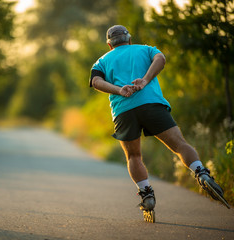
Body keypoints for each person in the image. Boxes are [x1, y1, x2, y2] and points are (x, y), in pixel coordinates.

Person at [89, 25, 229, 220]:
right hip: (151, 104)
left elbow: (96, 82)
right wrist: (145, 80)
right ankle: (201, 172)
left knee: (134, 156)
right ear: (129, 39)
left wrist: (119, 90)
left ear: (109, 44)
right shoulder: (145, 49)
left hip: (123, 112)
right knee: (180, 144)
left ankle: (146, 194)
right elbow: (161, 59)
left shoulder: (102, 60)